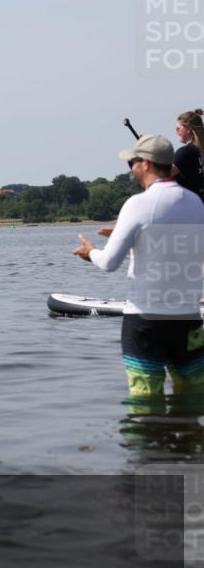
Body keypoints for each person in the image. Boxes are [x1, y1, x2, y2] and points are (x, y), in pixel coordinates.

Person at [72, 134, 204, 398]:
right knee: (191, 400)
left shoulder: (137, 204)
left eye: (132, 162)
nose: (131, 168)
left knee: (145, 402)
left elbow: (109, 263)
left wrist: (91, 252)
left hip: (146, 321)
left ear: (145, 163)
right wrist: (137, 240)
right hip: (188, 319)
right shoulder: (196, 203)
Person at [174, 108, 204, 203]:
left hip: (191, 205)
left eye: (179, 128)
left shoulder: (184, 153)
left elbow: (165, 173)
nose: (176, 131)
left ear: (189, 129)